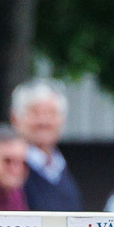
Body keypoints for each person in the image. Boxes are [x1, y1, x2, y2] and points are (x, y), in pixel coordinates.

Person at [11, 81, 82, 213]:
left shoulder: (60, 167)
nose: (44, 121)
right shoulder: (10, 168)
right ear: (15, 118)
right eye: (35, 113)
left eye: (51, 114)